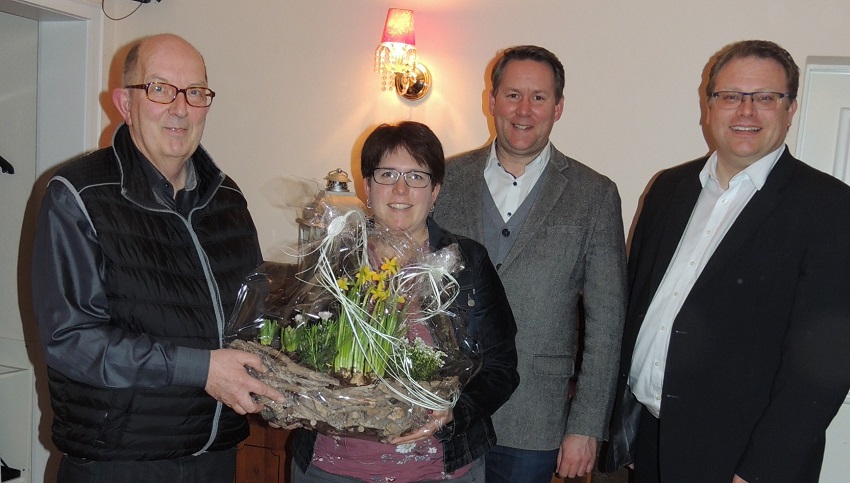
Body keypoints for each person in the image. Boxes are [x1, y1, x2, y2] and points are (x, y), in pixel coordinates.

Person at [31, 33, 283, 482]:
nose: (180, 108)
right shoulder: (77, 195)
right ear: (124, 103)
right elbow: (72, 341)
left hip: (216, 457)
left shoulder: (227, 200)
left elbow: (252, 319)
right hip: (119, 464)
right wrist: (200, 368)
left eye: (196, 93)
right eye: (160, 89)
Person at [609, 39, 850, 482]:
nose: (746, 112)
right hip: (651, 442)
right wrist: (625, 428)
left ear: (790, 108)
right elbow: (638, 305)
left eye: (765, 98)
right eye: (731, 96)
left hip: (742, 460)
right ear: (709, 105)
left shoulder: (831, 208)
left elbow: (827, 366)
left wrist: (760, 472)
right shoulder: (669, 189)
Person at [432, 45, 628, 482]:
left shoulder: (594, 195)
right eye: (512, 95)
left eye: (538, 97)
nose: (524, 110)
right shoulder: (443, 181)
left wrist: (585, 426)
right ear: (492, 101)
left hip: (533, 420)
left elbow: (608, 322)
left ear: (558, 107)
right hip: (442, 410)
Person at [289, 121, 520, 482]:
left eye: (416, 176)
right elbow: (295, 347)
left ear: (436, 190)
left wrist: (454, 413)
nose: (400, 189)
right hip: (332, 470)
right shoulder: (334, 258)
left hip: (437, 472)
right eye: (387, 174)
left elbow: (501, 369)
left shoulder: (466, 263)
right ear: (367, 186)